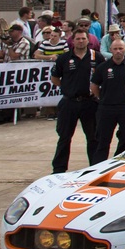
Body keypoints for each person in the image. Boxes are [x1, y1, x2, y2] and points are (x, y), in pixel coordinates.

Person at [49, 32, 99, 171]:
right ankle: (59, 169)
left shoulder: (96, 57)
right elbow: (55, 78)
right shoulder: (64, 58)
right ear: (72, 41)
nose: (81, 41)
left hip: (89, 102)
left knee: (93, 137)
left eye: (83, 39)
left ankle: (95, 168)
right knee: (64, 137)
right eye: (78, 39)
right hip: (69, 102)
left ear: (88, 40)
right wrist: (69, 88)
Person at [91, 38, 125, 160]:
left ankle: (120, 163)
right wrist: (102, 98)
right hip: (106, 107)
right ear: (110, 50)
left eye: (121, 48)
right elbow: (94, 86)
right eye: (115, 49)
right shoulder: (103, 67)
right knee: (102, 139)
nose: (118, 51)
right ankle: (98, 166)